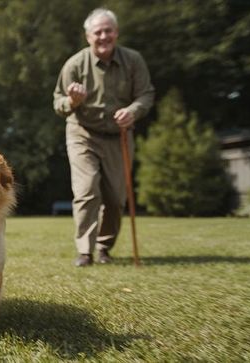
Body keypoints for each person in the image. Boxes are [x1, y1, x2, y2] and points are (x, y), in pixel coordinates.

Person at [53, 8, 154, 267]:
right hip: (82, 133)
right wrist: (72, 100)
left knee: (115, 197)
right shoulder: (75, 64)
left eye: (108, 30)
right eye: (98, 32)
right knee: (87, 189)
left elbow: (146, 94)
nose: (103, 36)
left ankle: (103, 248)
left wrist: (133, 111)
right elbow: (58, 102)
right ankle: (85, 252)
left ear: (116, 32)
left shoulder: (133, 60)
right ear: (88, 36)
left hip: (119, 135)